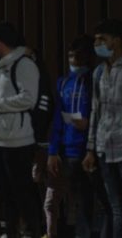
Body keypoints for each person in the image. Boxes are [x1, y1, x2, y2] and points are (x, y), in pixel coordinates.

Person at [0, 21, 41, 238]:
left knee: (21, 191)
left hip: (17, 140)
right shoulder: (1, 66)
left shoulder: (24, 64)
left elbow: (28, 99)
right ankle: (10, 231)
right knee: (5, 193)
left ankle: (32, 231)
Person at [45, 35, 106, 238]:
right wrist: (53, 151)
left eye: (78, 58)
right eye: (71, 57)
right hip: (67, 150)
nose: (74, 62)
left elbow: (99, 115)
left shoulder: (94, 81)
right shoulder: (63, 83)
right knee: (67, 200)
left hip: (90, 150)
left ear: (88, 58)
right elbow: (57, 120)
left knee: (92, 200)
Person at [84, 18, 122, 237]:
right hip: (105, 148)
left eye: (102, 39)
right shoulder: (99, 72)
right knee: (115, 207)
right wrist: (90, 149)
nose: (97, 44)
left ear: (116, 41)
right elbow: (95, 112)